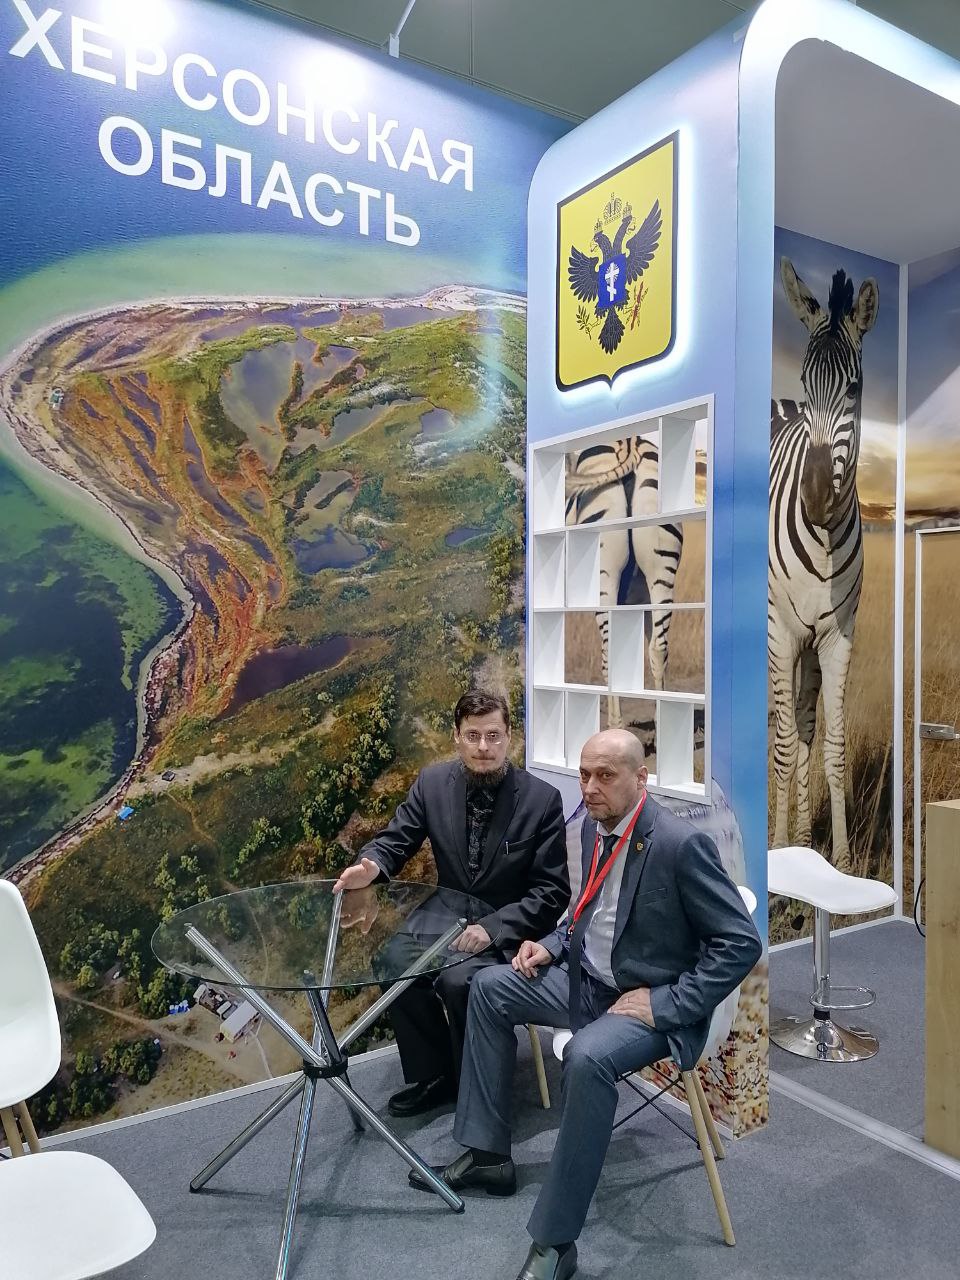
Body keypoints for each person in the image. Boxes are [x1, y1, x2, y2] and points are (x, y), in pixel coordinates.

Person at [408, 728, 762, 1280]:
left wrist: (669, 1001)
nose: (590, 787)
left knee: (587, 1057)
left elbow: (740, 943)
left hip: (644, 1004)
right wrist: (550, 945)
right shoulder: (599, 827)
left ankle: (555, 1243)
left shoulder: (679, 844)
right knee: (490, 986)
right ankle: (488, 1155)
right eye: (584, 775)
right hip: (588, 981)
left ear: (640, 779)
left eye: (605, 776)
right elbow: (586, 912)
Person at [332, 689, 569, 1118]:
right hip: (443, 916)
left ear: (509, 736)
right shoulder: (432, 784)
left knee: (460, 982)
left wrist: (493, 929)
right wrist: (372, 866)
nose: (484, 747)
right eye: (473, 736)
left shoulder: (542, 800)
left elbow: (551, 892)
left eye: (493, 736)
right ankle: (436, 1074)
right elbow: (396, 839)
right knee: (392, 962)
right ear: (456, 737)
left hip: (507, 926)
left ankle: (475, 1084)